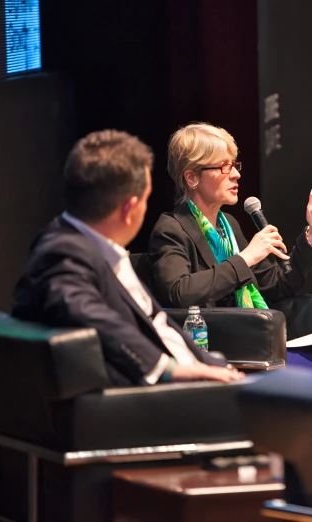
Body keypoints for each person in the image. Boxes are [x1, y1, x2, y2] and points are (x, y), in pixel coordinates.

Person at [12, 129, 244, 386]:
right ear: (129, 209)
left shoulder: (97, 249)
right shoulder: (60, 253)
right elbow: (84, 310)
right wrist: (168, 369)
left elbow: (156, 325)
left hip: (196, 376)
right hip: (153, 397)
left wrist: (211, 365)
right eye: (145, 200)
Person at [147, 123, 312, 366]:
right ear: (191, 177)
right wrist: (245, 259)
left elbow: (277, 286)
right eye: (224, 166)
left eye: (234, 165)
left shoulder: (229, 225)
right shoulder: (171, 228)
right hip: (216, 349)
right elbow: (180, 291)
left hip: (253, 339)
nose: (236, 174)